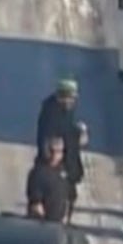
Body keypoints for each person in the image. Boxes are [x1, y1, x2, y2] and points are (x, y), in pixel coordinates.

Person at [36, 79, 86, 216]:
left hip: (65, 168)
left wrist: (77, 133)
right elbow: (49, 141)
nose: (73, 101)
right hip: (56, 170)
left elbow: (67, 132)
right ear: (63, 96)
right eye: (71, 98)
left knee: (66, 202)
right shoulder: (51, 114)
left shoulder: (63, 111)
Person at [26, 136, 73, 222]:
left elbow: (66, 194)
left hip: (59, 221)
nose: (55, 154)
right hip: (41, 223)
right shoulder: (38, 172)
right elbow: (36, 202)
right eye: (52, 151)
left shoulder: (63, 172)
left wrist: (66, 214)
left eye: (59, 151)